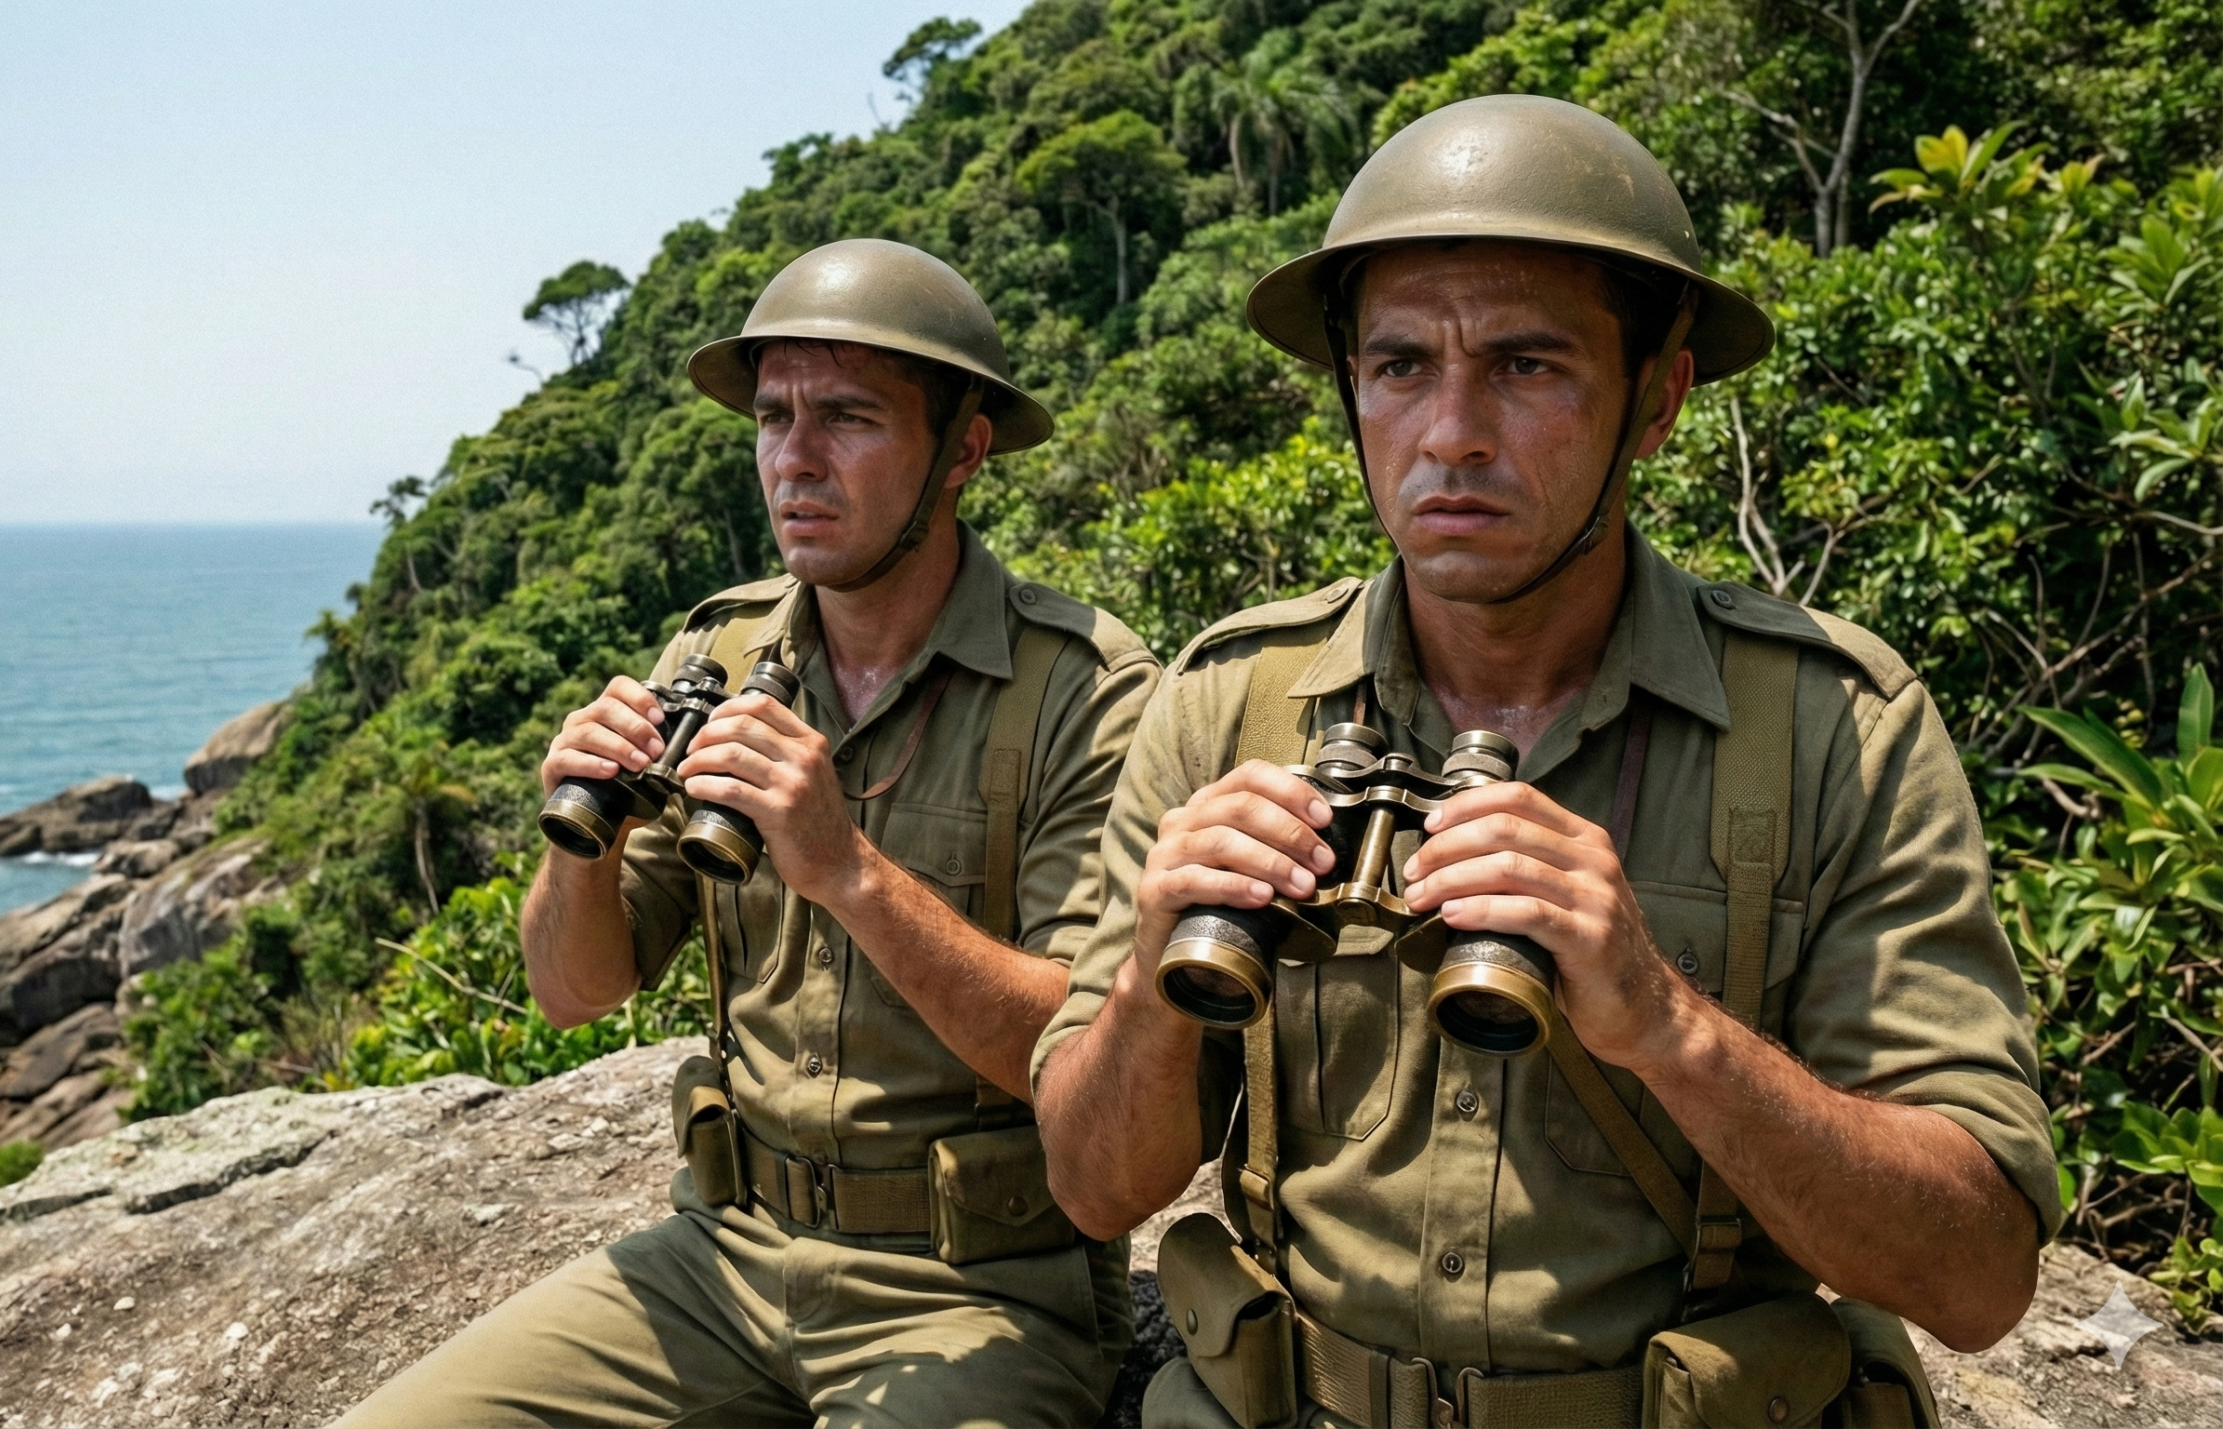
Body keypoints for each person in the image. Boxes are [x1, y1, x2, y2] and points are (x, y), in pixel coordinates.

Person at [1032, 96, 2057, 1429]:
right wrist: (1153, 988)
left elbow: (1976, 1277)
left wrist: (1666, 1022)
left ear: (1657, 399)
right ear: (1352, 390)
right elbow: (1091, 1184)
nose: (1450, 432)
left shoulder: (1831, 729)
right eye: (1399, 366)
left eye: (1526, 366)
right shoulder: (1231, 703)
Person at [338, 238, 1158, 1428]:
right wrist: (584, 841)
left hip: (976, 1286)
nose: (795, 460)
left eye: (849, 418)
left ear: (963, 451)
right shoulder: (715, 657)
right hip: (723, 1249)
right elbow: (577, 993)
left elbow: (1079, 1061)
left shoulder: (1079, 688)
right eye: (773, 418)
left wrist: (849, 872)